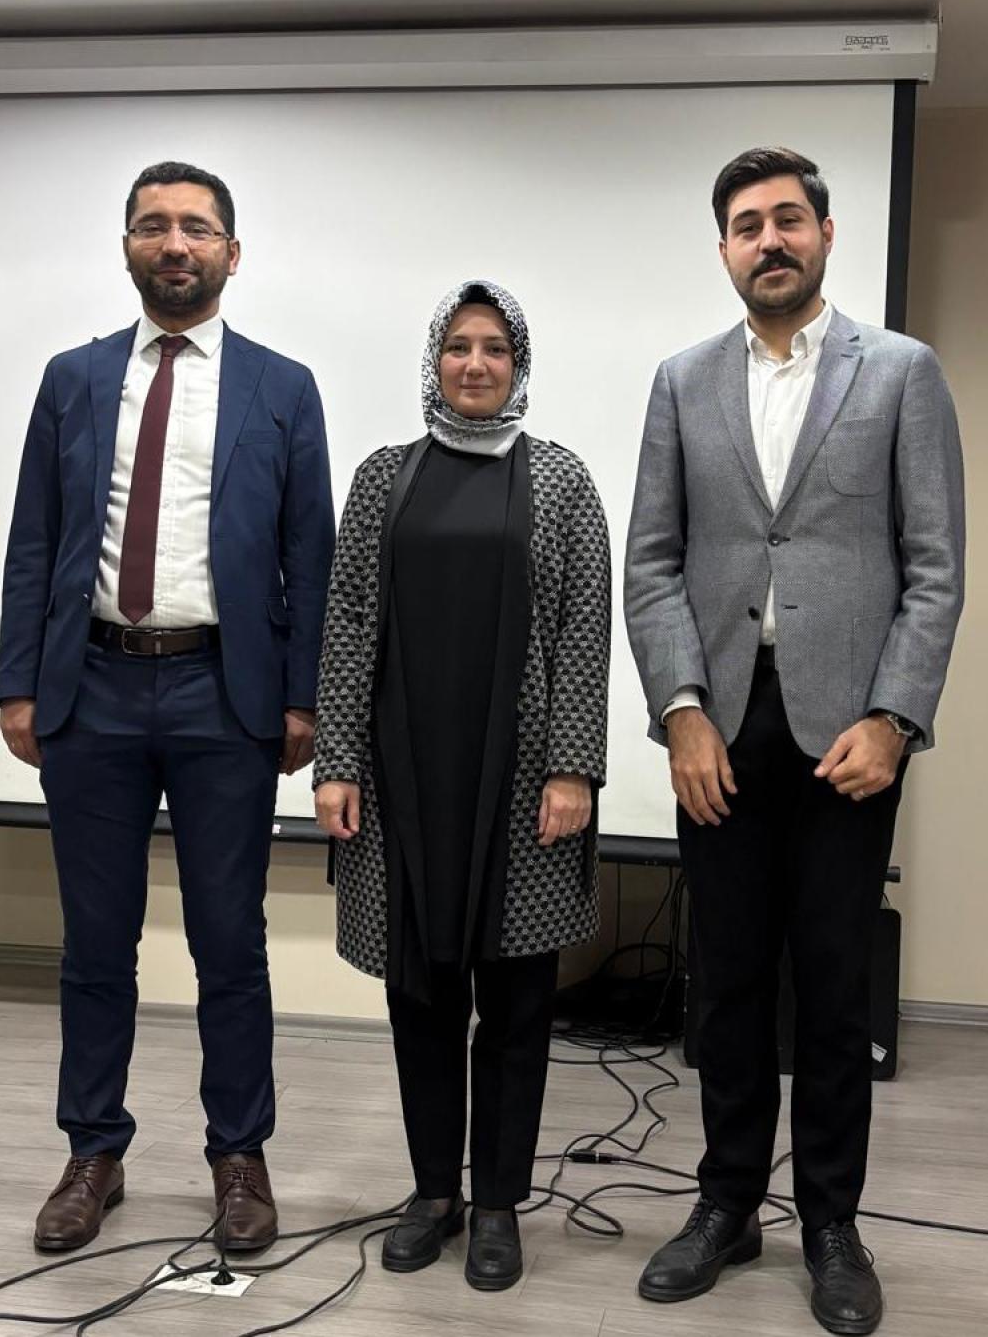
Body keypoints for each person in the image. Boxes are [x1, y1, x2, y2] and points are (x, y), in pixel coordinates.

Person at [624, 147, 964, 1335]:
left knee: (829, 987)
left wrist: (896, 717)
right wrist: (679, 711)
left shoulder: (902, 372)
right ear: (723, 249)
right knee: (723, 984)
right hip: (718, 727)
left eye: (786, 219)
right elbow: (652, 563)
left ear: (824, 233)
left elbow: (933, 567)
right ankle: (725, 1204)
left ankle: (829, 1222)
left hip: (846, 736)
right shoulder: (680, 381)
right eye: (745, 224)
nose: (766, 239)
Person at [0, 160, 335, 1255]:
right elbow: (35, 538)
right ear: (128, 247)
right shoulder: (74, 378)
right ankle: (94, 1149)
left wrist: (303, 699)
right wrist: (17, 680)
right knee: (95, 941)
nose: (173, 243)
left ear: (232, 252)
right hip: (90, 688)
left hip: (221, 694)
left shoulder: (283, 388)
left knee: (230, 941)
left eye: (195, 227)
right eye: (153, 226)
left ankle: (240, 1156)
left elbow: (310, 557)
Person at [312, 280, 610, 1293]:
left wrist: (573, 766)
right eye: (457, 346)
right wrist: (336, 763)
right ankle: (434, 1190)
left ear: (518, 365)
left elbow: (583, 632)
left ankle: (498, 1205)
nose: (475, 364)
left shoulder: (561, 480)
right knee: (419, 997)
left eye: (494, 348)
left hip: (522, 782)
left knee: (517, 1004)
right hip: (405, 780)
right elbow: (349, 623)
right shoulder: (382, 477)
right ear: (433, 361)